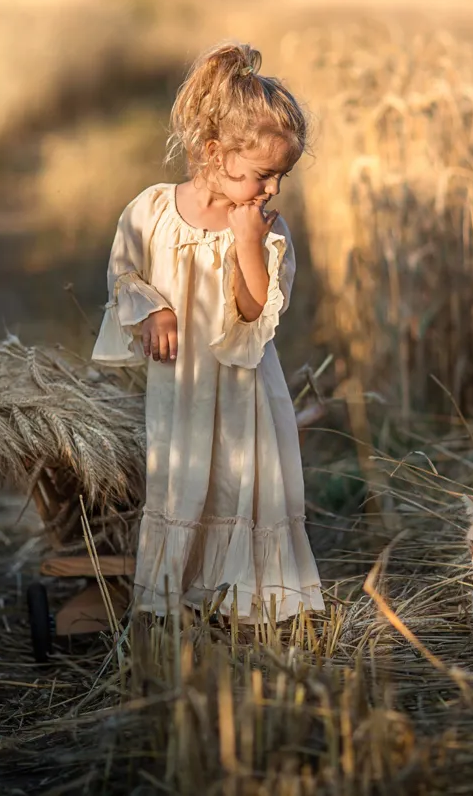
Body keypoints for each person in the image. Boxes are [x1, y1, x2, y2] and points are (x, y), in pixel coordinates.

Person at [91, 41, 324, 624]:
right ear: (214, 153)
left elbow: (253, 311)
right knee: (183, 479)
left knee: (242, 483)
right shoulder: (150, 211)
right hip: (179, 388)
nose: (272, 190)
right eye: (263, 175)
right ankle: (177, 599)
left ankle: (248, 604)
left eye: (282, 178)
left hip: (244, 390)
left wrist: (247, 243)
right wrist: (152, 310)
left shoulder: (268, 232)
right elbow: (124, 274)